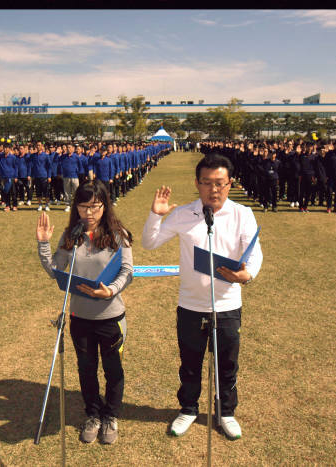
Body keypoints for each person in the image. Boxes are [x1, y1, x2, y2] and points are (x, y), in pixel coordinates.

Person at [142, 154, 263, 441]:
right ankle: (188, 408)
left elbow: (254, 252)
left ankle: (226, 412)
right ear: (197, 184)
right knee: (190, 363)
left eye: (220, 183)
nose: (213, 190)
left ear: (229, 184)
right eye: (207, 183)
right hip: (191, 306)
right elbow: (149, 243)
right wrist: (156, 215)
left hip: (227, 305)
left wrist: (248, 274)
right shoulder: (185, 214)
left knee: (227, 365)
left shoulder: (242, 214)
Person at [36, 180, 133, 445]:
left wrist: (110, 291)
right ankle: (93, 414)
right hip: (80, 318)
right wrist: (44, 245)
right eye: (83, 206)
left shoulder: (117, 234)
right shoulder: (72, 233)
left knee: (113, 370)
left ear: (105, 205)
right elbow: (55, 268)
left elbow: (127, 271)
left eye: (95, 206)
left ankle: (110, 415)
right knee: (86, 369)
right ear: (75, 207)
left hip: (111, 316)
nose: (89, 213)